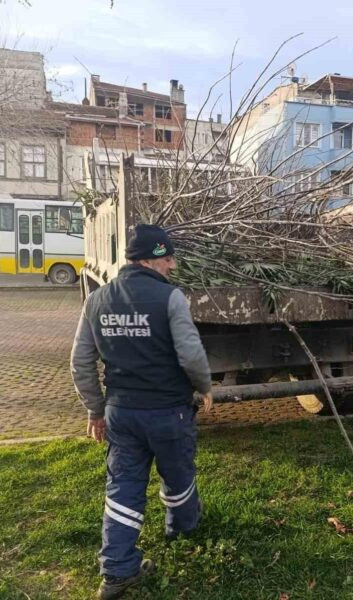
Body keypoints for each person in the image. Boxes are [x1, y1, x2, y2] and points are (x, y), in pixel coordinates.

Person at [70, 224, 213, 599]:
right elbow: (191, 354)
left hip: (121, 414)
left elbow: (80, 363)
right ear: (151, 259)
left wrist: (95, 411)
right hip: (168, 412)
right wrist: (205, 387)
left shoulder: (96, 300)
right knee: (178, 472)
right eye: (168, 260)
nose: (172, 266)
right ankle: (181, 529)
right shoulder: (171, 298)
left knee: (123, 486)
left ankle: (117, 571)